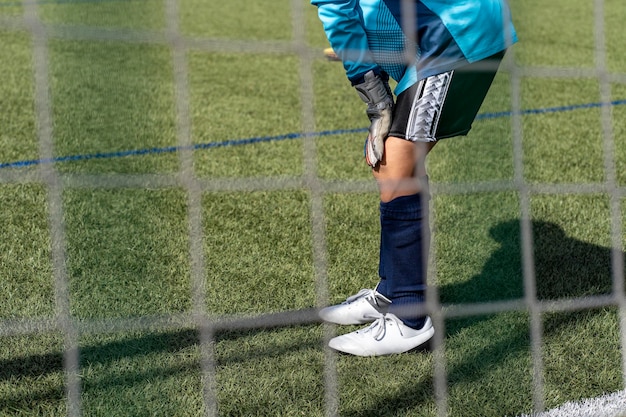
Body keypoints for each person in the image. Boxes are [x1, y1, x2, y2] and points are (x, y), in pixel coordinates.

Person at [311, 0, 517, 356]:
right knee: (391, 164)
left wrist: (374, 95)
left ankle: (409, 319)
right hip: (444, 32)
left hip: (454, 35)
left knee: (395, 164)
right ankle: (392, 292)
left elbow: (338, 8)